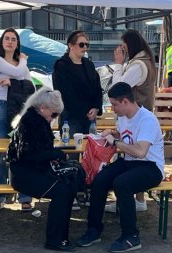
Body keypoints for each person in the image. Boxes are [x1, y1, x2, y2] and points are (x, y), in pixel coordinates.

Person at [76, 82, 164, 253]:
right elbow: (125, 134)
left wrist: (116, 142)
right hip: (130, 162)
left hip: (151, 167)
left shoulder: (147, 120)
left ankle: (131, 236)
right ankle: (94, 230)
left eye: (115, 104)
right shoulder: (123, 116)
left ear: (125, 102)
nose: (113, 109)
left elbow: (140, 151)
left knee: (122, 183)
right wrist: (112, 133)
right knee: (99, 179)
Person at [7, 88, 76, 252]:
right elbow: (28, 154)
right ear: (43, 108)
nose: (55, 118)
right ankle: (55, 240)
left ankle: (62, 238)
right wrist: (55, 154)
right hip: (25, 175)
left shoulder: (34, 119)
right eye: (54, 114)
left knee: (68, 188)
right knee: (62, 191)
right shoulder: (32, 122)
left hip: (29, 172)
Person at [105, 29, 157, 213]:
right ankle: (139, 199)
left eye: (124, 48)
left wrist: (118, 65)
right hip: (138, 115)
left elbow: (118, 88)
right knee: (136, 159)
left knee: (132, 156)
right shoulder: (147, 62)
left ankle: (131, 200)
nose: (122, 51)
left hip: (134, 116)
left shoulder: (138, 66)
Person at [52, 30, 103, 210]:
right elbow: (64, 93)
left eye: (87, 44)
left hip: (89, 118)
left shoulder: (89, 65)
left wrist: (96, 108)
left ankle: (87, 191)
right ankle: (70, 193)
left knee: (91, 155)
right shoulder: (61, 65)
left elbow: (98, 89)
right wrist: (85, 111)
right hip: (71, 118)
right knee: (72, 155)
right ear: (71, 46)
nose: (84, 48)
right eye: (81, 44)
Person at [0, 27, 34, 212]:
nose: (10, 41)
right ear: (1, 42)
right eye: (7, 38)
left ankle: (24, 195)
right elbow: (18, 72)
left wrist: (13, 82)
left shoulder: (22, 65)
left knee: (20, 151)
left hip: (18, 109)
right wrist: (22, 59)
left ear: (17, 43)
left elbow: (29, 86)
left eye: (14, 39)